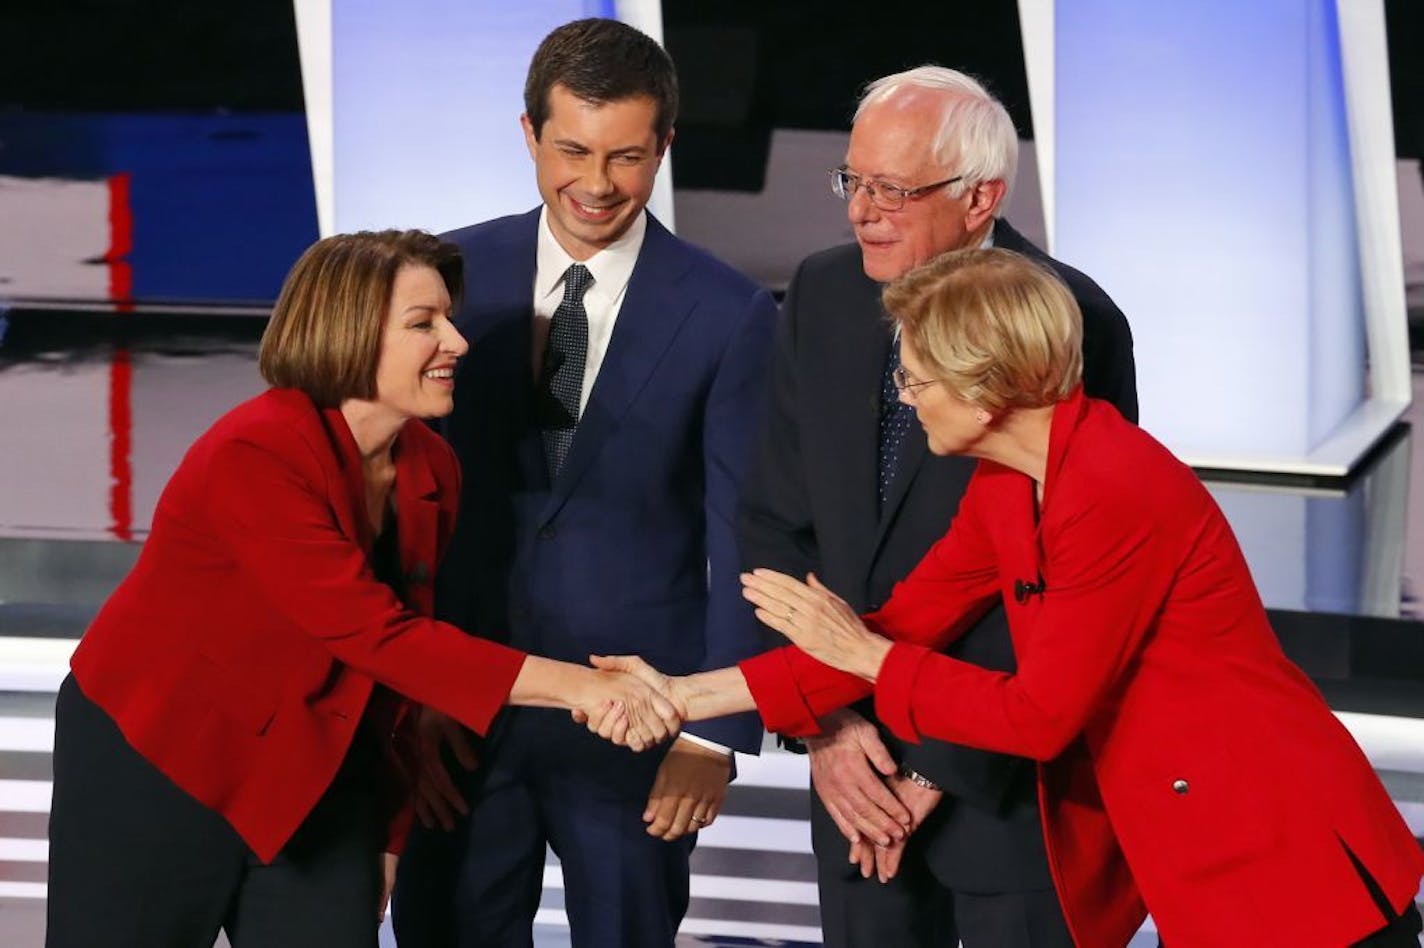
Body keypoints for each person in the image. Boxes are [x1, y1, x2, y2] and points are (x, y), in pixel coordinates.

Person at [611, 247, 1424, 946]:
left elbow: (1039, 715)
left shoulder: (1114, 487)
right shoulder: (1007, 485)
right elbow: (903, 627)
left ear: (984, 389)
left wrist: (870, 655)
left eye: (916, 375)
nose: (903, 393)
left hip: (1279, 846)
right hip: (1195, 846)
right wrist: (683, 696)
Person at [45, 230, 683, 948]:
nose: (457, 342)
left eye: (448, 318)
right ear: (346, 333)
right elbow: (374, 633)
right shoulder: (255, 452)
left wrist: (389, 834)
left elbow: (397, 679)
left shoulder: (432, 467)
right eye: (423, 324)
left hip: (320, 770)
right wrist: (582, 687)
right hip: (166, 758)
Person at [391, 18, 775, 948]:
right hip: (463, 717)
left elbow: (745, 531)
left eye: (627, 157)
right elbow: (390, 497)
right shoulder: (445, 277)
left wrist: (710, 734)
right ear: (529, 136)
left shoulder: (730, 311)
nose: (597, 184)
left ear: (664, 148)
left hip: (638, 730)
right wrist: (409, 697)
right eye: (572, 150)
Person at [735, 65, 1135, 947]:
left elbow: (1058, 587)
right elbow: (773, 521)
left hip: (1003, 797)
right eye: (853, 180)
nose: (859, 210)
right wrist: (825, 729)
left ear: (979, 195)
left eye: (891, 189)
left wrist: (935, 770)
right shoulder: (824, 293)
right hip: (851, 772)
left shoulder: (1069, 321)